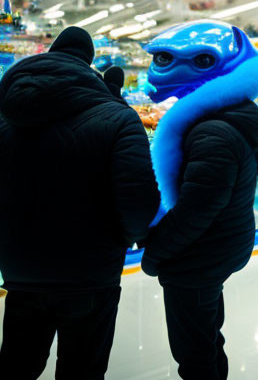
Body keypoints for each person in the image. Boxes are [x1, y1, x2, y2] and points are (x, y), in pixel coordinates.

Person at [0, 26, 159, 379]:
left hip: (21, 269)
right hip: (91, 272)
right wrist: (129, 238)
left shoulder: (6, 115)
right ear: (89, 65)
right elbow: (138, 199)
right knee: (82, 370)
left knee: (16, 365)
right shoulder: (119, 118)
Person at [140, 20, 258, 380]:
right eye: (163, 58)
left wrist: (156, 253)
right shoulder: (219, 122)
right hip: (215, 250)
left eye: (200, 61)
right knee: (207, 336)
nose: (164, 70)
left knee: (194, 351)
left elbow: (198, 209)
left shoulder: (212, 132)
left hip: (198, 257)